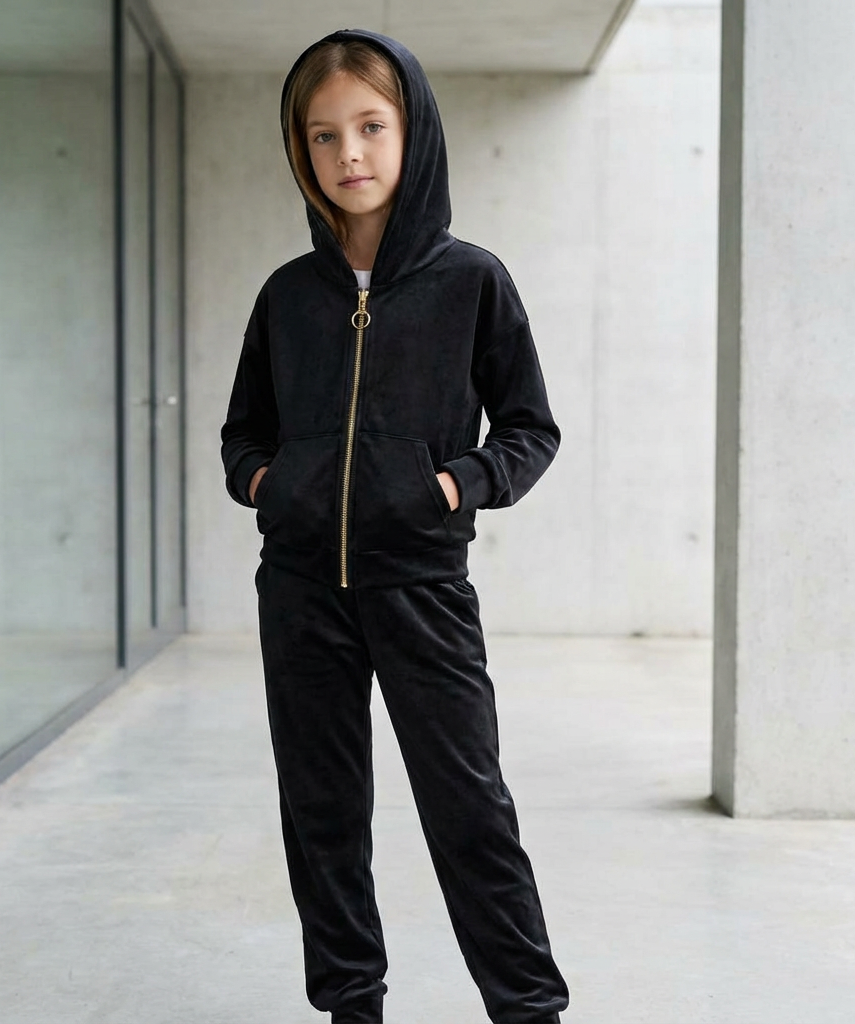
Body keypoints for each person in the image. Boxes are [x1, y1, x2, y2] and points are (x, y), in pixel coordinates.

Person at [221, 28, 569, 1024]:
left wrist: (458, 485)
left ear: (414, 133)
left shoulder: (472, 282)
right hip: (300, 591)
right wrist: (265, 482)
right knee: (322, 814)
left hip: (421, 586)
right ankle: (352, 1007)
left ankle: (528, 1010)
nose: (350, 154)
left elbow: (531, 428)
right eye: (324, 135)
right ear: (302, 150)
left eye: (371, 127)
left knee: (469, 810)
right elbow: (244, 431)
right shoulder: (287, 296)